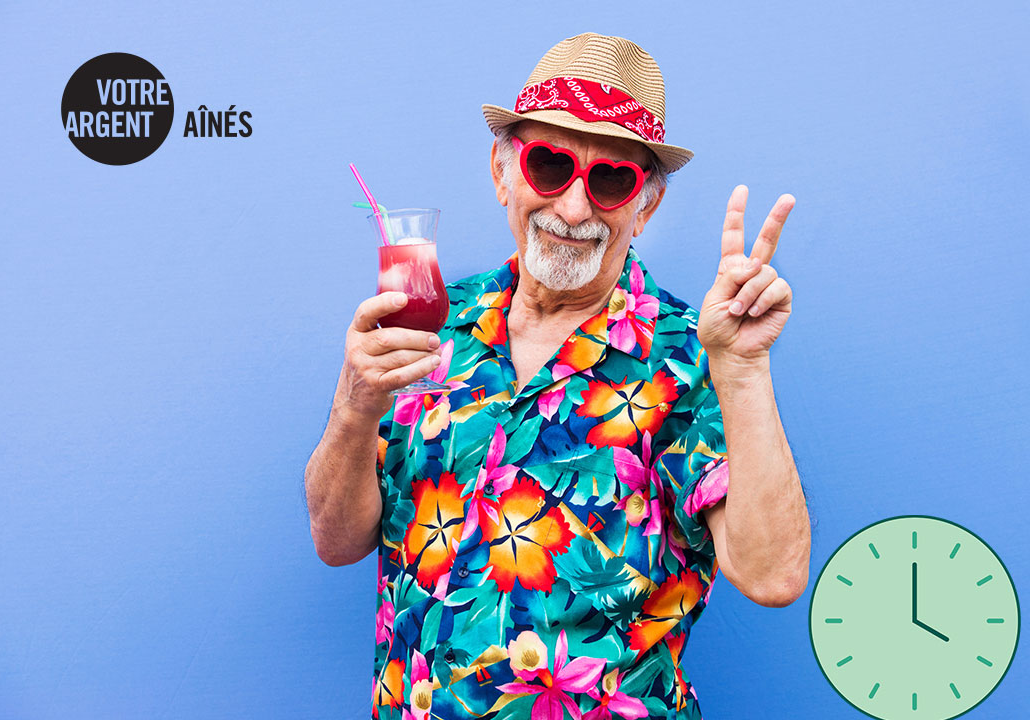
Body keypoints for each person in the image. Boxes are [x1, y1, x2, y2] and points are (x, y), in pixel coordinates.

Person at [305, 32, 810, 720]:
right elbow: (338, 541)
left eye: (610, 180)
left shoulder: (696, 356)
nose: (574, 209)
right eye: (550, 165)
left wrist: (745, 371)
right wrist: (355, 405)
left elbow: (773, 575)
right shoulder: (429, 329)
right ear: (502, 172)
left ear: (647, 204)